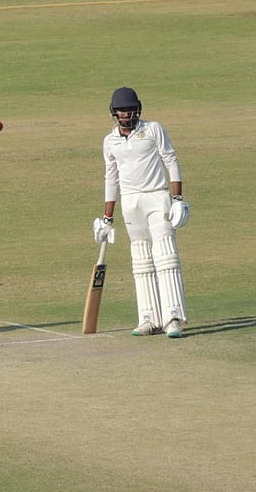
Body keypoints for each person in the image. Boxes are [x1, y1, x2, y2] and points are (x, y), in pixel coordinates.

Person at [93, 87, 191, 338]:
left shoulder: (153, 129)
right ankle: (148, 317)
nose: (127, 113)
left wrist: (177, 197)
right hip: (130, 202)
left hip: (157, 197)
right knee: (141, 259)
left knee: (165, 255)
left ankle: (172, 318)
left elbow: (170, 159)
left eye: (130, 109)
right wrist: (107, 217)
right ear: (114, 113)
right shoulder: (110, 141)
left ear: (138, 108)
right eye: (122, 110)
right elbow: (110, 178)